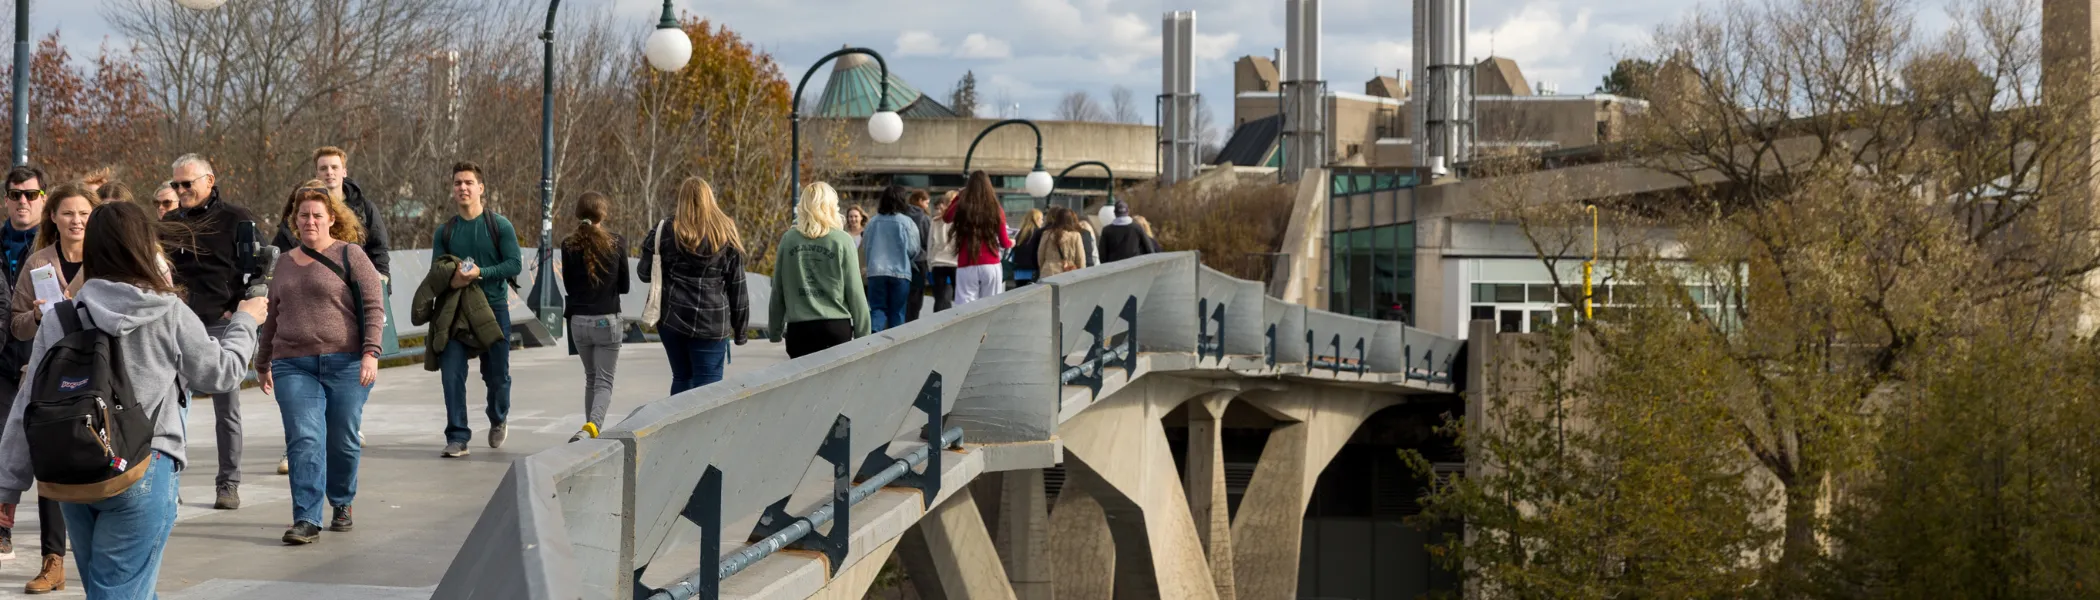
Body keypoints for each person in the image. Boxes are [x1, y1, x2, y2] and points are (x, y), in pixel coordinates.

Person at [0, 201, 267, 598]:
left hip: (73, 469)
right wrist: (247, 319)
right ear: (144, 246)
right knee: (121, 591)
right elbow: (222, 373)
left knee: (112, 590)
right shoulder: (167, 311)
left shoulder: (60, 317)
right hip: (144, 464)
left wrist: (8, 487)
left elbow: (28, 405)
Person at [254, 183, 383, 545]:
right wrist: (262, 362)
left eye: (317, 215)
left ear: (331, 220)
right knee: (305, 438)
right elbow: (272, 315)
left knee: (342, 439)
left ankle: (342, 501)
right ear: (295, 221)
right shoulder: (283, 263)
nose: (309, 221)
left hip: (346, 361)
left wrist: (370, 352)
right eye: (303, 215)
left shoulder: (350, 254)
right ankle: (307, 518)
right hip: (293, 364)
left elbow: (374, 305)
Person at [4, 183, 93, 591]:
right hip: (45, 377)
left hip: (96, 375)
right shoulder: (38, 261)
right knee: (50, 463)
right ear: (53, 216)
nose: (76, 221)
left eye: (84, 214)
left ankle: (94, 552)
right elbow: (16, 322)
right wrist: (37, 317)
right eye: (69, 213)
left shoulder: (105, 261)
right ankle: (52, 559)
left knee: (95, 459)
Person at [162, 153, 262, 510]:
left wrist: (239, 306)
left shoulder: (237, 218)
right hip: (177, 320)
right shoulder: (169, 223)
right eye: (176, 184)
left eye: (187, 183)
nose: (181, 190)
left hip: (220, 319)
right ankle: (168, 483)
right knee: (168, 405)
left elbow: (260, 266)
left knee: (227, 406)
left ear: (209, 180)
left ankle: (228, 483)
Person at [430, 161, 521, 458]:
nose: (463, 188)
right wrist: (451, 278)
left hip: (493, 309)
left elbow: (514, 264)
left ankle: (498, 417)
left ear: (481, 188)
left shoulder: (500, 226)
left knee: (497, 376)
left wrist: (480, 273)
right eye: (458, 183)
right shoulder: (445, 232)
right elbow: (436, 271)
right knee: (451, 373)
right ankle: (457, 436)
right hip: (457, 312)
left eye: (468, 183)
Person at [640, 178, 749, 394]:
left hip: (672, 319)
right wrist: (741, 331)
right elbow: (737, 285)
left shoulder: (665, 230)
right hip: (712, 321)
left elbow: (644, 273)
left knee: (682, 377)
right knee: (709, 386)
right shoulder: (726, 231)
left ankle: (679, 426)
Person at [0, 166, 45, 557]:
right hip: (2, 356)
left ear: (43, 198)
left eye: (31, 194)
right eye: (15, 195)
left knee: (47, 447)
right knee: (2, 445)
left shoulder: (54, 245)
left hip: (43, 359)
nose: (23, 202)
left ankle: (55, 548)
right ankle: (2, 527)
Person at [768, 183, 868, 358]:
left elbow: (778, 288)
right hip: (835, 326)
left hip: (799, 329)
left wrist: (775, 329)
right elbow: (854, 290)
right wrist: (863, 333)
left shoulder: (789, 239)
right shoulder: (842, 240)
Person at [561, 192, 630, 442]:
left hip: (578, 322)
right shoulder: (617, 242)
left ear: (578, 214)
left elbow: (569, 285)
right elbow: (624, 286)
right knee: (604, 382)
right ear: (604, 214)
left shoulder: (568, 245)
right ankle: (592, 427)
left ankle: (588, 430)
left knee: (591, 378)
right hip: (607, 321)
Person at [272, 147, 392, 281]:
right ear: (316, 174)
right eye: (323, 168)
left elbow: (379, 249)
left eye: (334, 167)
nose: (329, 172)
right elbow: (280, 257)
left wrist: (383, 283)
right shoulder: (301, 209)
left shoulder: (365, 208)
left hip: (356, 283)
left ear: (344, 172)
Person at [942, 171, 1012, 305]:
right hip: (991, 264)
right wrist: (1011, 242)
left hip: (967, 263)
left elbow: (946, 218)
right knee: (991, 306)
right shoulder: (996, 209)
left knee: (964, 308)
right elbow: (1004, 242)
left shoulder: (962, 207)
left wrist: (959, 197)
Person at [862, 185, 920, 332]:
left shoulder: (872, 223)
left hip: (876, 271)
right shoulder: (906, 222)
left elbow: (866, 246)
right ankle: (895, 344)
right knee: (897, 312)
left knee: (877, 309)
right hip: (900, 271)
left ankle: (874, 337)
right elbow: (914, 249)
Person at [903, 189, 933, 323]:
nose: (927, 206)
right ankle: (912, 324)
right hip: (920, 261)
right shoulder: (923, 218)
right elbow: (929, 240)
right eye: (927, 202)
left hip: (902, 261)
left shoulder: (901, 215)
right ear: (920, 201)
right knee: (916, 299)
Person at [925, 191, 958, 313]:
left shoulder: (935, 221)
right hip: (955, 263)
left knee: (939, 299)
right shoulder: (959, 220)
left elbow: (930, 245)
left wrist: (929, 266)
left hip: (937, 263)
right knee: (959, 299)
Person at [1037, 206, 1087, 279]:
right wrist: (1081, 273)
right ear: (1070, 220)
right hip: (1068, 272)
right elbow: (1080, 258)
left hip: (1048, 272)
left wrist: (1044, 267)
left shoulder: (1046, 234)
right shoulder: (1075, 236)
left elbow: (1040, 255)